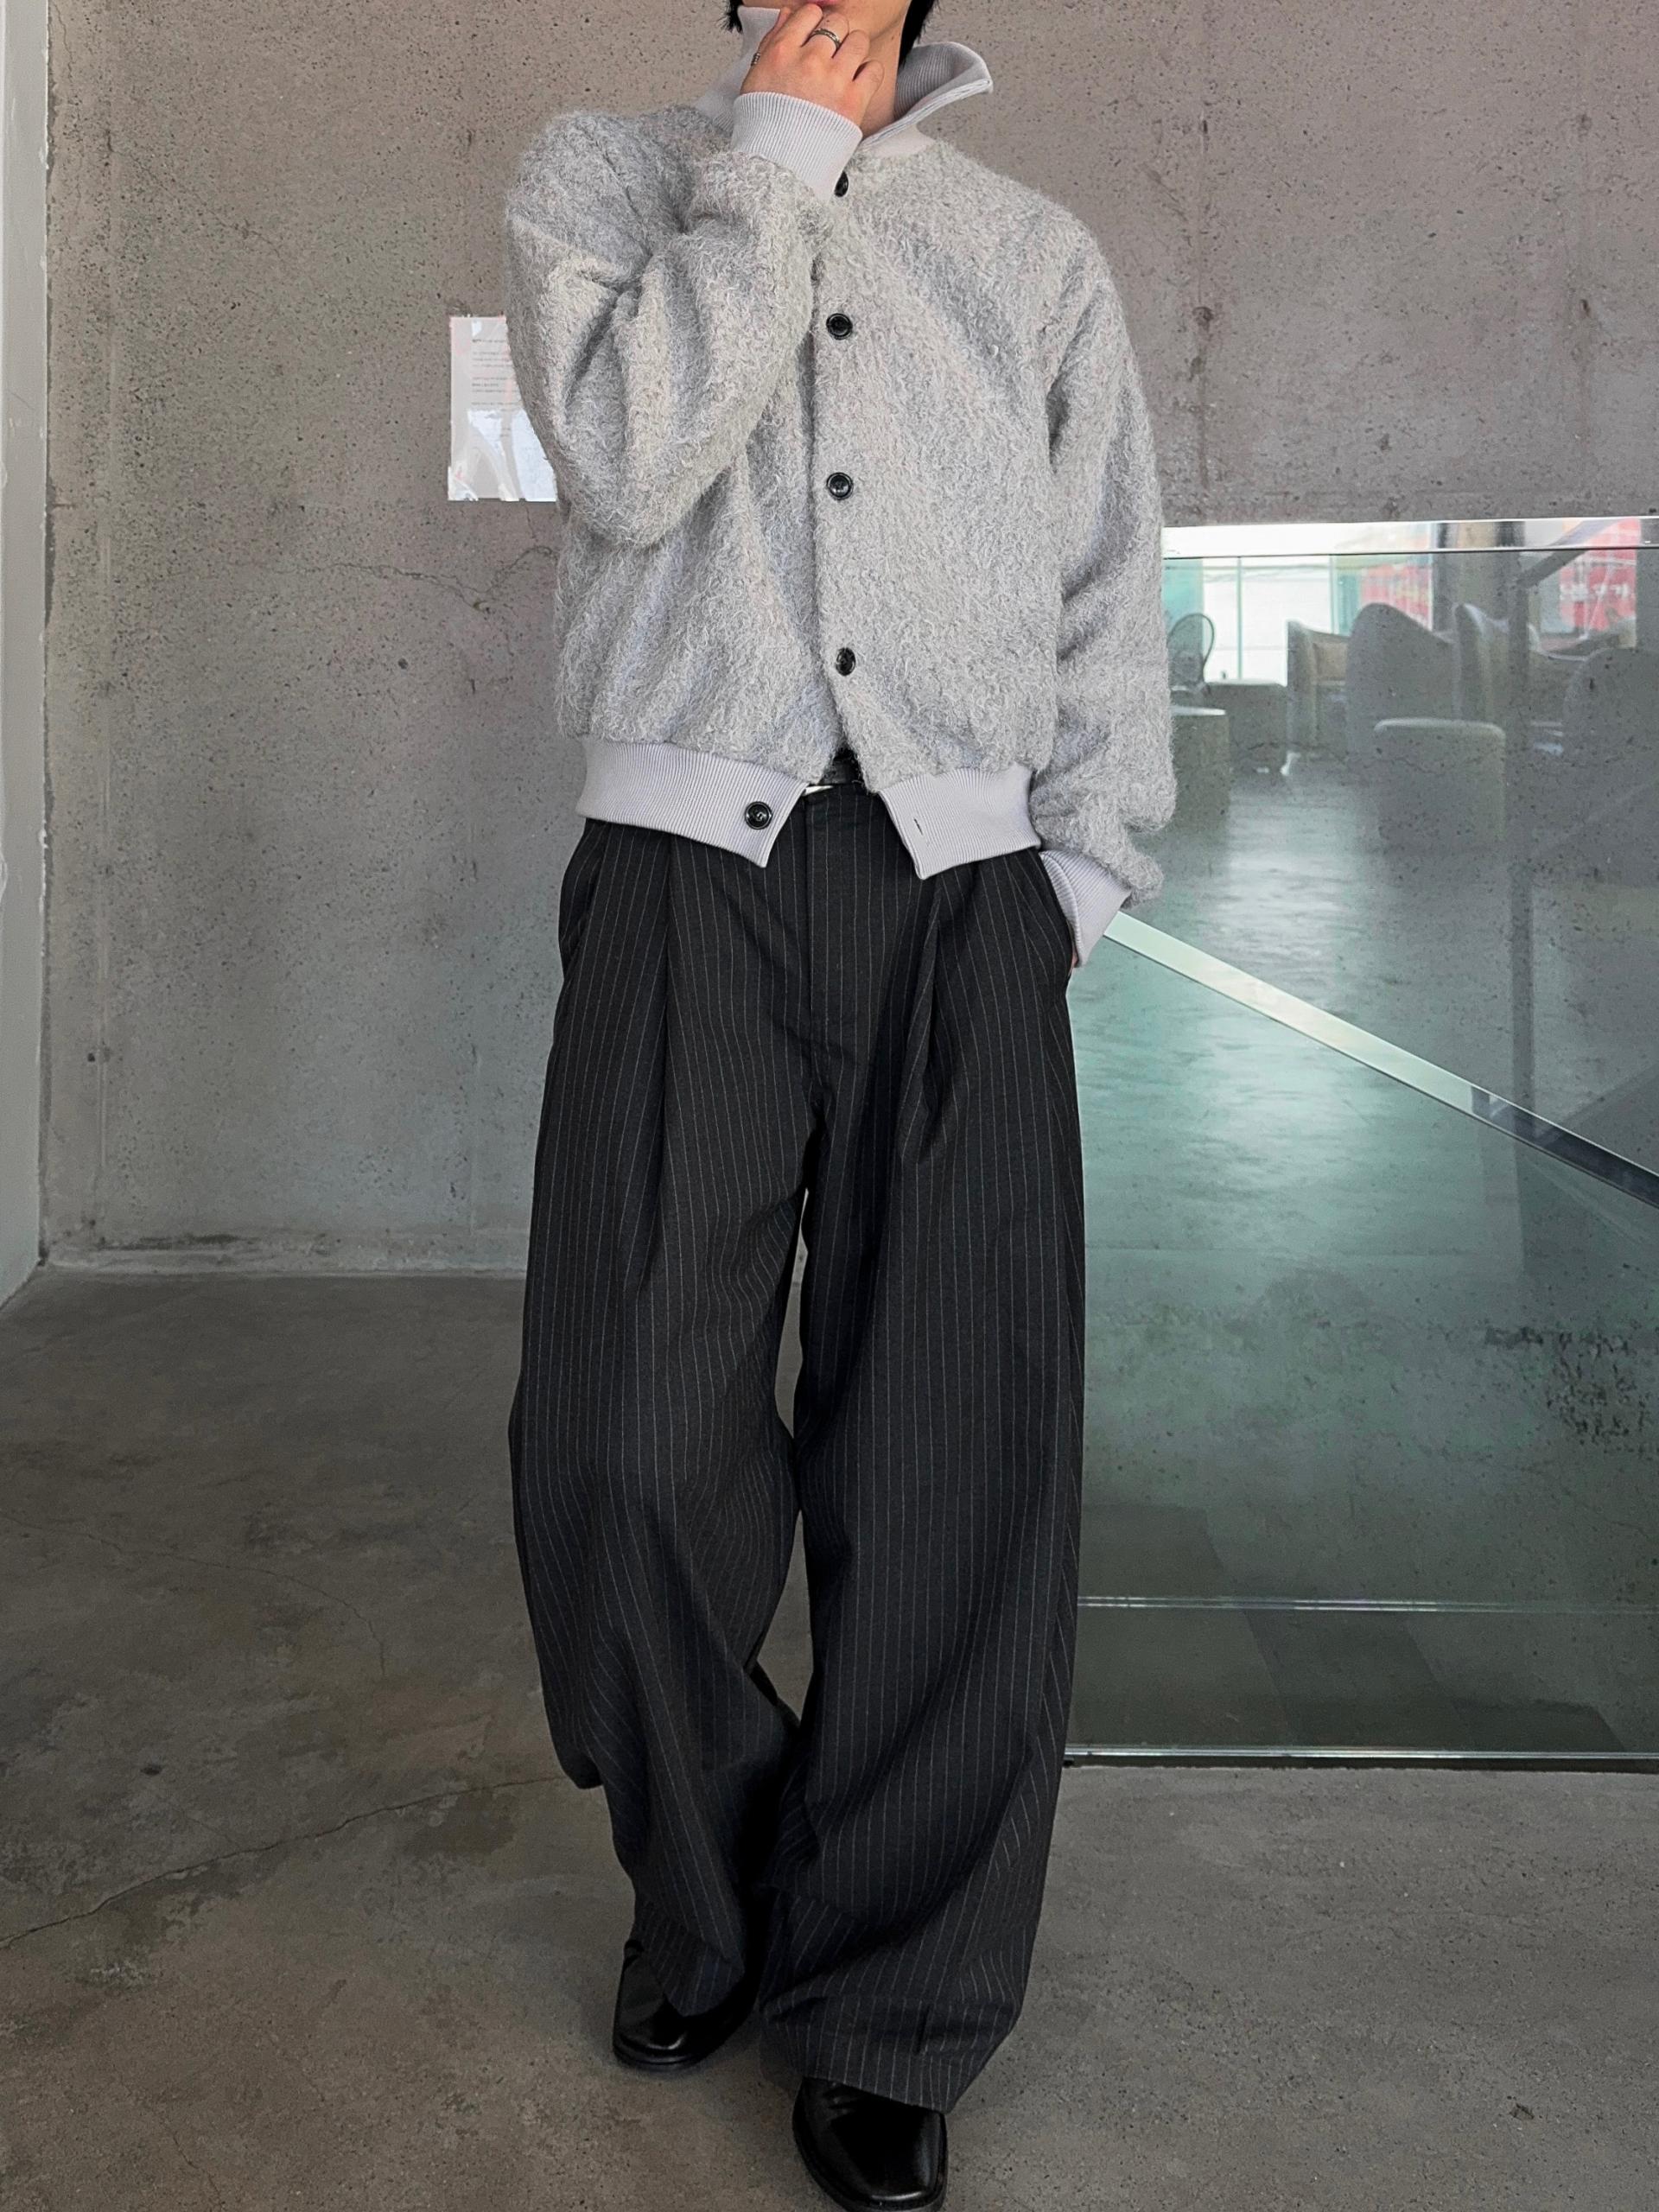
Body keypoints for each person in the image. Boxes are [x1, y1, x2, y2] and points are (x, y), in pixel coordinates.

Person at [502, 4, 1175, 2204]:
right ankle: (714, 1891)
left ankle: (898, 1994)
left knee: (961, 1461)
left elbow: (1107, 581)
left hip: (969, 902)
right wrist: (778, 157)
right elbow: (626, 459)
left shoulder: (1031, 251)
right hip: (684, 892)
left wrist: (1077, 877)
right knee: (620, 1441)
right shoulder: (605, 180)